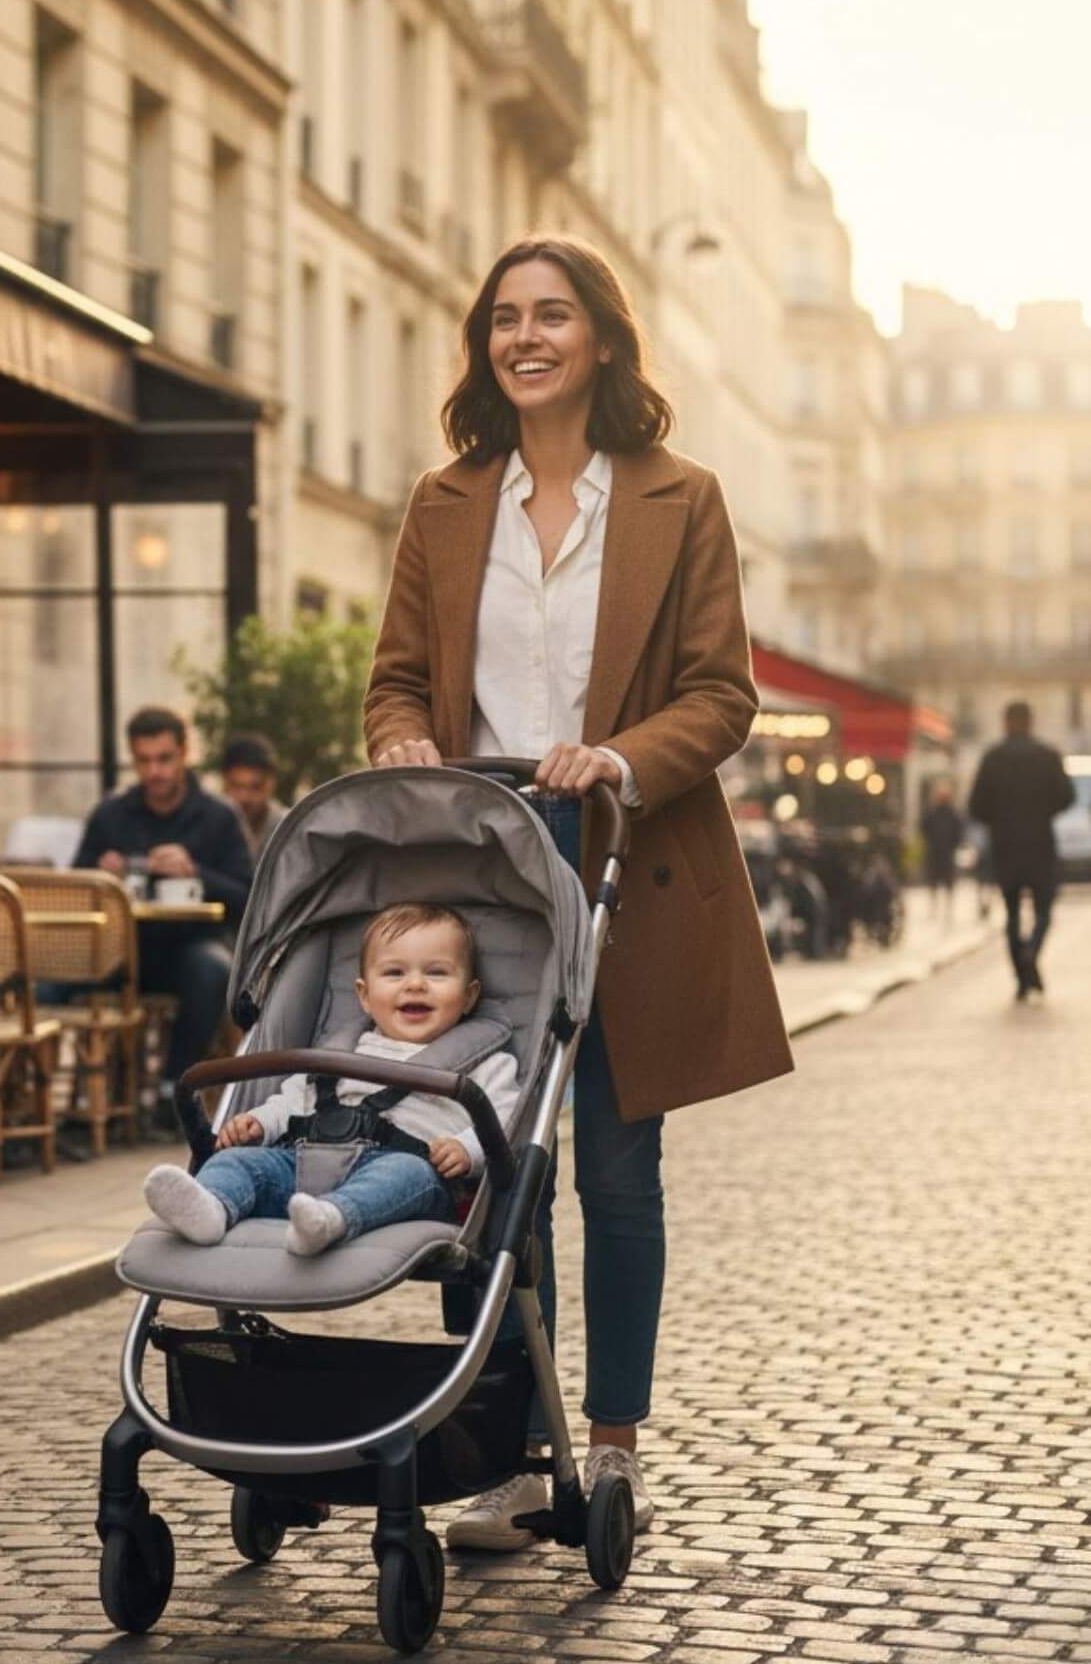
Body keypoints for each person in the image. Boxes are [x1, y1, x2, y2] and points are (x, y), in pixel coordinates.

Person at [365, 234, 794, 1548]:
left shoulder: (678, 496)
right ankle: (504, 1447)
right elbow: (393, 676)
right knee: (487, 1172)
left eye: (552, 314)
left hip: (621, 857)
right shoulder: (444, 502)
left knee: (613, 1166)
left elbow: (720, 693)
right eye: (503, 317)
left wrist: (615, 753)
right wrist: (392, 738)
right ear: (482, 344)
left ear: (601, 338)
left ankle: (604, 1446)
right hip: (477, 861)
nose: (524, 335)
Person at [141, 902, 518, 1255]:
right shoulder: (340, 1050)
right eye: (394, 973)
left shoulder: (487, 1062)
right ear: (365, 996)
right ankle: (211, 1208)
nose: (415, 985)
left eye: (436, 973)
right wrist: (259, 1123)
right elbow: (291, 1101)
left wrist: (467, 1150)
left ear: (469, 997)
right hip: (303, 1162)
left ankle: (332, 1219)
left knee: (406, 1173)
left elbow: (505, 1121)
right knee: (238, 1161)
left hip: (407, 1171)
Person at [74, 707, 253, 1108]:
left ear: (184, 753)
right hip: (123, 951)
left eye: (164, 759)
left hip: (191, 945)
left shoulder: (218, 816)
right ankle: (85, 1098)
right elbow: (77, 882)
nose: (155, 771)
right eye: (144, 760)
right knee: (47, 978)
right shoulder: (111, 814)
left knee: (211, 970)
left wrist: (195, 872)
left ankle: (174, 1088)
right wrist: (101, 874)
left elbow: (249, 894)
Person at [967, 700, 1075, 999]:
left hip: (1005, 846)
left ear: (1005, 721)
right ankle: (1031, 953)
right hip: (1040, 842)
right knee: (1044, 910)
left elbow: (976, 807)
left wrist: (999, 818)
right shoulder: (1048, 756)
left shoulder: (993, 758)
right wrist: (1042, 811)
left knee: (1012, 912)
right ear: (1030, 721)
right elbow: (1066, 797)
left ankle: (1021, 971)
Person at [221, 732, 289, 866]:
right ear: (225, 782)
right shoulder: (210, 824)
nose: (244, 797)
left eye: (255, 787)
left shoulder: (289, 829)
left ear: (271, 784)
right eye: (236, 786)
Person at [918, 784, 964, 921]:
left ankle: (947, 908)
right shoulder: (932, 813)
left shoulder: (951, 814)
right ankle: (934, 907)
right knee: (934, 882)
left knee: (948, 882)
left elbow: (958, 831)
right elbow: (924, 828)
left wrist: (953, 844)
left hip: (946, 852)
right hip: (935, 852)